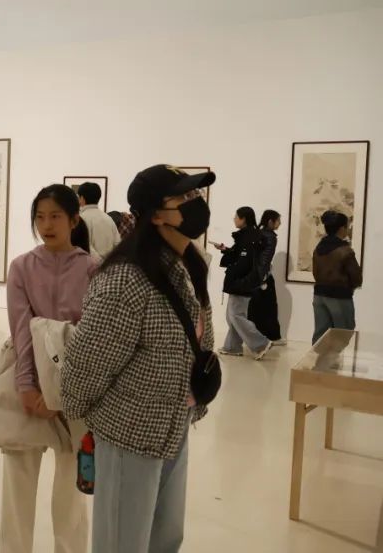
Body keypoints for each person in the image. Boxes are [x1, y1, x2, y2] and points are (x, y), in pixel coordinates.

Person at [62, 165, 216, 553]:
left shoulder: (190, 264)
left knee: (166, 537)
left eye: (195, 195)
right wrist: (88, 418)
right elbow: (86, 362)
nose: (195, 203)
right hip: (130, 431)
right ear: (156, 214)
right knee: (123, 541)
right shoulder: (126, 278)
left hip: (175, 420)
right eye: (184, 197)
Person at [1, 184, 94, 553]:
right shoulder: (21, 267)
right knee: (17, 482)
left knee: (73, 488)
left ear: (74, 220)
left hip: (76, 390)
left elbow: (91, 337)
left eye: (55, 216)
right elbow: (21, 330)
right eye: (40, 217)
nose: (47, 225)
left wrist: (65, 394)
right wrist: (27, 385)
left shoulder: (93, 268)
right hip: (28, 384)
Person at [215, 207, 272, 359]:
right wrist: (225, 249)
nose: (234, 219)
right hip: (240, 281)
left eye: (236, 217)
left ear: (244, 219)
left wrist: (238, 281)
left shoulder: (249, 237)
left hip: (242, 282)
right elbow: (239, 256)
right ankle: (232, 347)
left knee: (236, 315)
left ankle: (261, 343)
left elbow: (244, 262)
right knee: (232, 316)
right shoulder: (247, 236)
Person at [311, 210, 363, 343]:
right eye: (347, 227)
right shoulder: (345, 251)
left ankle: (317, 357)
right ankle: (333, 357)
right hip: (340, 297)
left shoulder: (318, 249)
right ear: (341, 228)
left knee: (320, 335)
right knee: (343, 334)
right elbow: (356, 278)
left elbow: (315, 273)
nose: (348, 229)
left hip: (319, 295)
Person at [248, 209, 286, 345]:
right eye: (278, 221)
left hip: (251, 276)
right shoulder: (270, 237)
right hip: (262, 277)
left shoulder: (256, 233)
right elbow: (265, 259)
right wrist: (263, 279)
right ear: (270, 221)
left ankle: (255, 336)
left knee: (254, 308)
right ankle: (273, 337)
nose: (280, 223)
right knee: (269, 308)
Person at [76, 182, 120, 261]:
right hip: (109, 264)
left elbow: (85, 246)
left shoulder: (81, 219)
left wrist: (100, 263)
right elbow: (118, 243)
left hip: (91, 265)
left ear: (82, 198)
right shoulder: (108, 218)